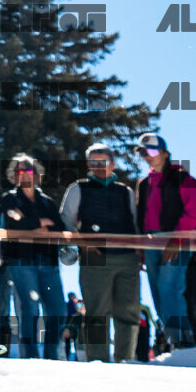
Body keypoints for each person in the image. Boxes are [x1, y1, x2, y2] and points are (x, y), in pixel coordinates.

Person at [59, 143, 142, 362]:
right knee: (97, 313)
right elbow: (66, 221)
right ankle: (99, 362)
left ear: (112, 164)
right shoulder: (78, 188)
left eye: (102, 162)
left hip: (127, 258)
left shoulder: (125, 191)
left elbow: (135, 223)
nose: (97, 166)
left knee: (129, 312)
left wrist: (139, 252)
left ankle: (126, 360)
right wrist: (81, 243)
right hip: (94, 258)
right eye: (92, 162)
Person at [135, 136, 196, 348]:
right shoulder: (143, 184)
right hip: (150, 244)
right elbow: (141, 218)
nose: (147, 156)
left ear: (165, 153)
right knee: (158, 295)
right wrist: (141, 251)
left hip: (176, 240)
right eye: (143, 152)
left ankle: (184, 343)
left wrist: (176, 240)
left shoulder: (184, 179)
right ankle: (176, 342)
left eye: (152, 151)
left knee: (169, 290)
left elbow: (194, 213)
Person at [0, 156, 61, 357]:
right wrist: (41, 223)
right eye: (19, 171)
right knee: (30, 309)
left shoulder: (47, 201)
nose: (24, 175)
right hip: (20, 260)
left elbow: (59, 227)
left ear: (37, 174)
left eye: (29, 171)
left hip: (48, 261)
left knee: (58, 310)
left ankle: (51, 356)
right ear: (14, 176)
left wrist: (30, 223)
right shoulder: (9, 199)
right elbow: (14, 223)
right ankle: (30, 356)